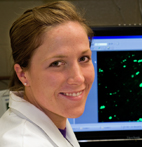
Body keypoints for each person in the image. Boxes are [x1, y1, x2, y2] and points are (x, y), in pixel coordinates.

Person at [0, 1, 94, 146]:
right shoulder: (22, 142)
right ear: (22, 74)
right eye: (56, 63)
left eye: (83, 58)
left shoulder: (54, 118)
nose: (78, 78)